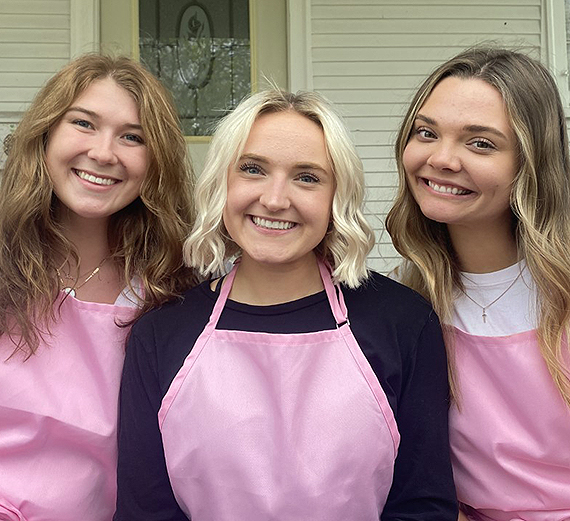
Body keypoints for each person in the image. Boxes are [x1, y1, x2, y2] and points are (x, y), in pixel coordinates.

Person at [114, 89, 457, 521]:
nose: (275, 200)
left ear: (338, 197)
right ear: (222, 183)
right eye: (253, 169)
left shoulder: (404, 322)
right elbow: (146, 512)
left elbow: (422, 505)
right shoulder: (160, 332)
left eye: (307, 177)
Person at [0, 54, 197, 521]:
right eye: (84, 124)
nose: (105, 153)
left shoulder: (171, 288)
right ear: (45, 135)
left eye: (133, 137)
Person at [386, 47, 570, 520]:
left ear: (531, 163)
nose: (441, 159)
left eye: (481, 143)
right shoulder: (404, 304)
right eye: (426, 133)